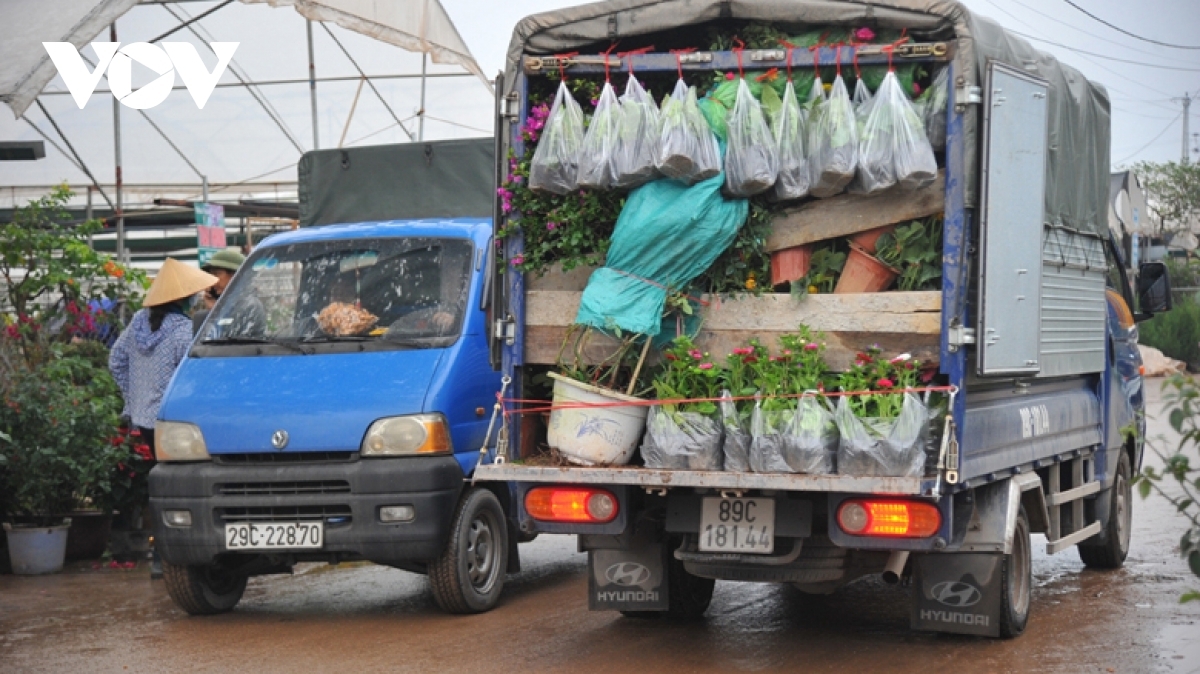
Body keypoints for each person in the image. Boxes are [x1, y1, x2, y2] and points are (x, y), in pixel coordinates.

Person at [109, 258, 217, 453]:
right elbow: (193, 376)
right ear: (182, 297)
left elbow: (116, 360)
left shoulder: (138, 321)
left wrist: (133, 396)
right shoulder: (183, 330)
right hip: (170, 420)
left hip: (142, 417)